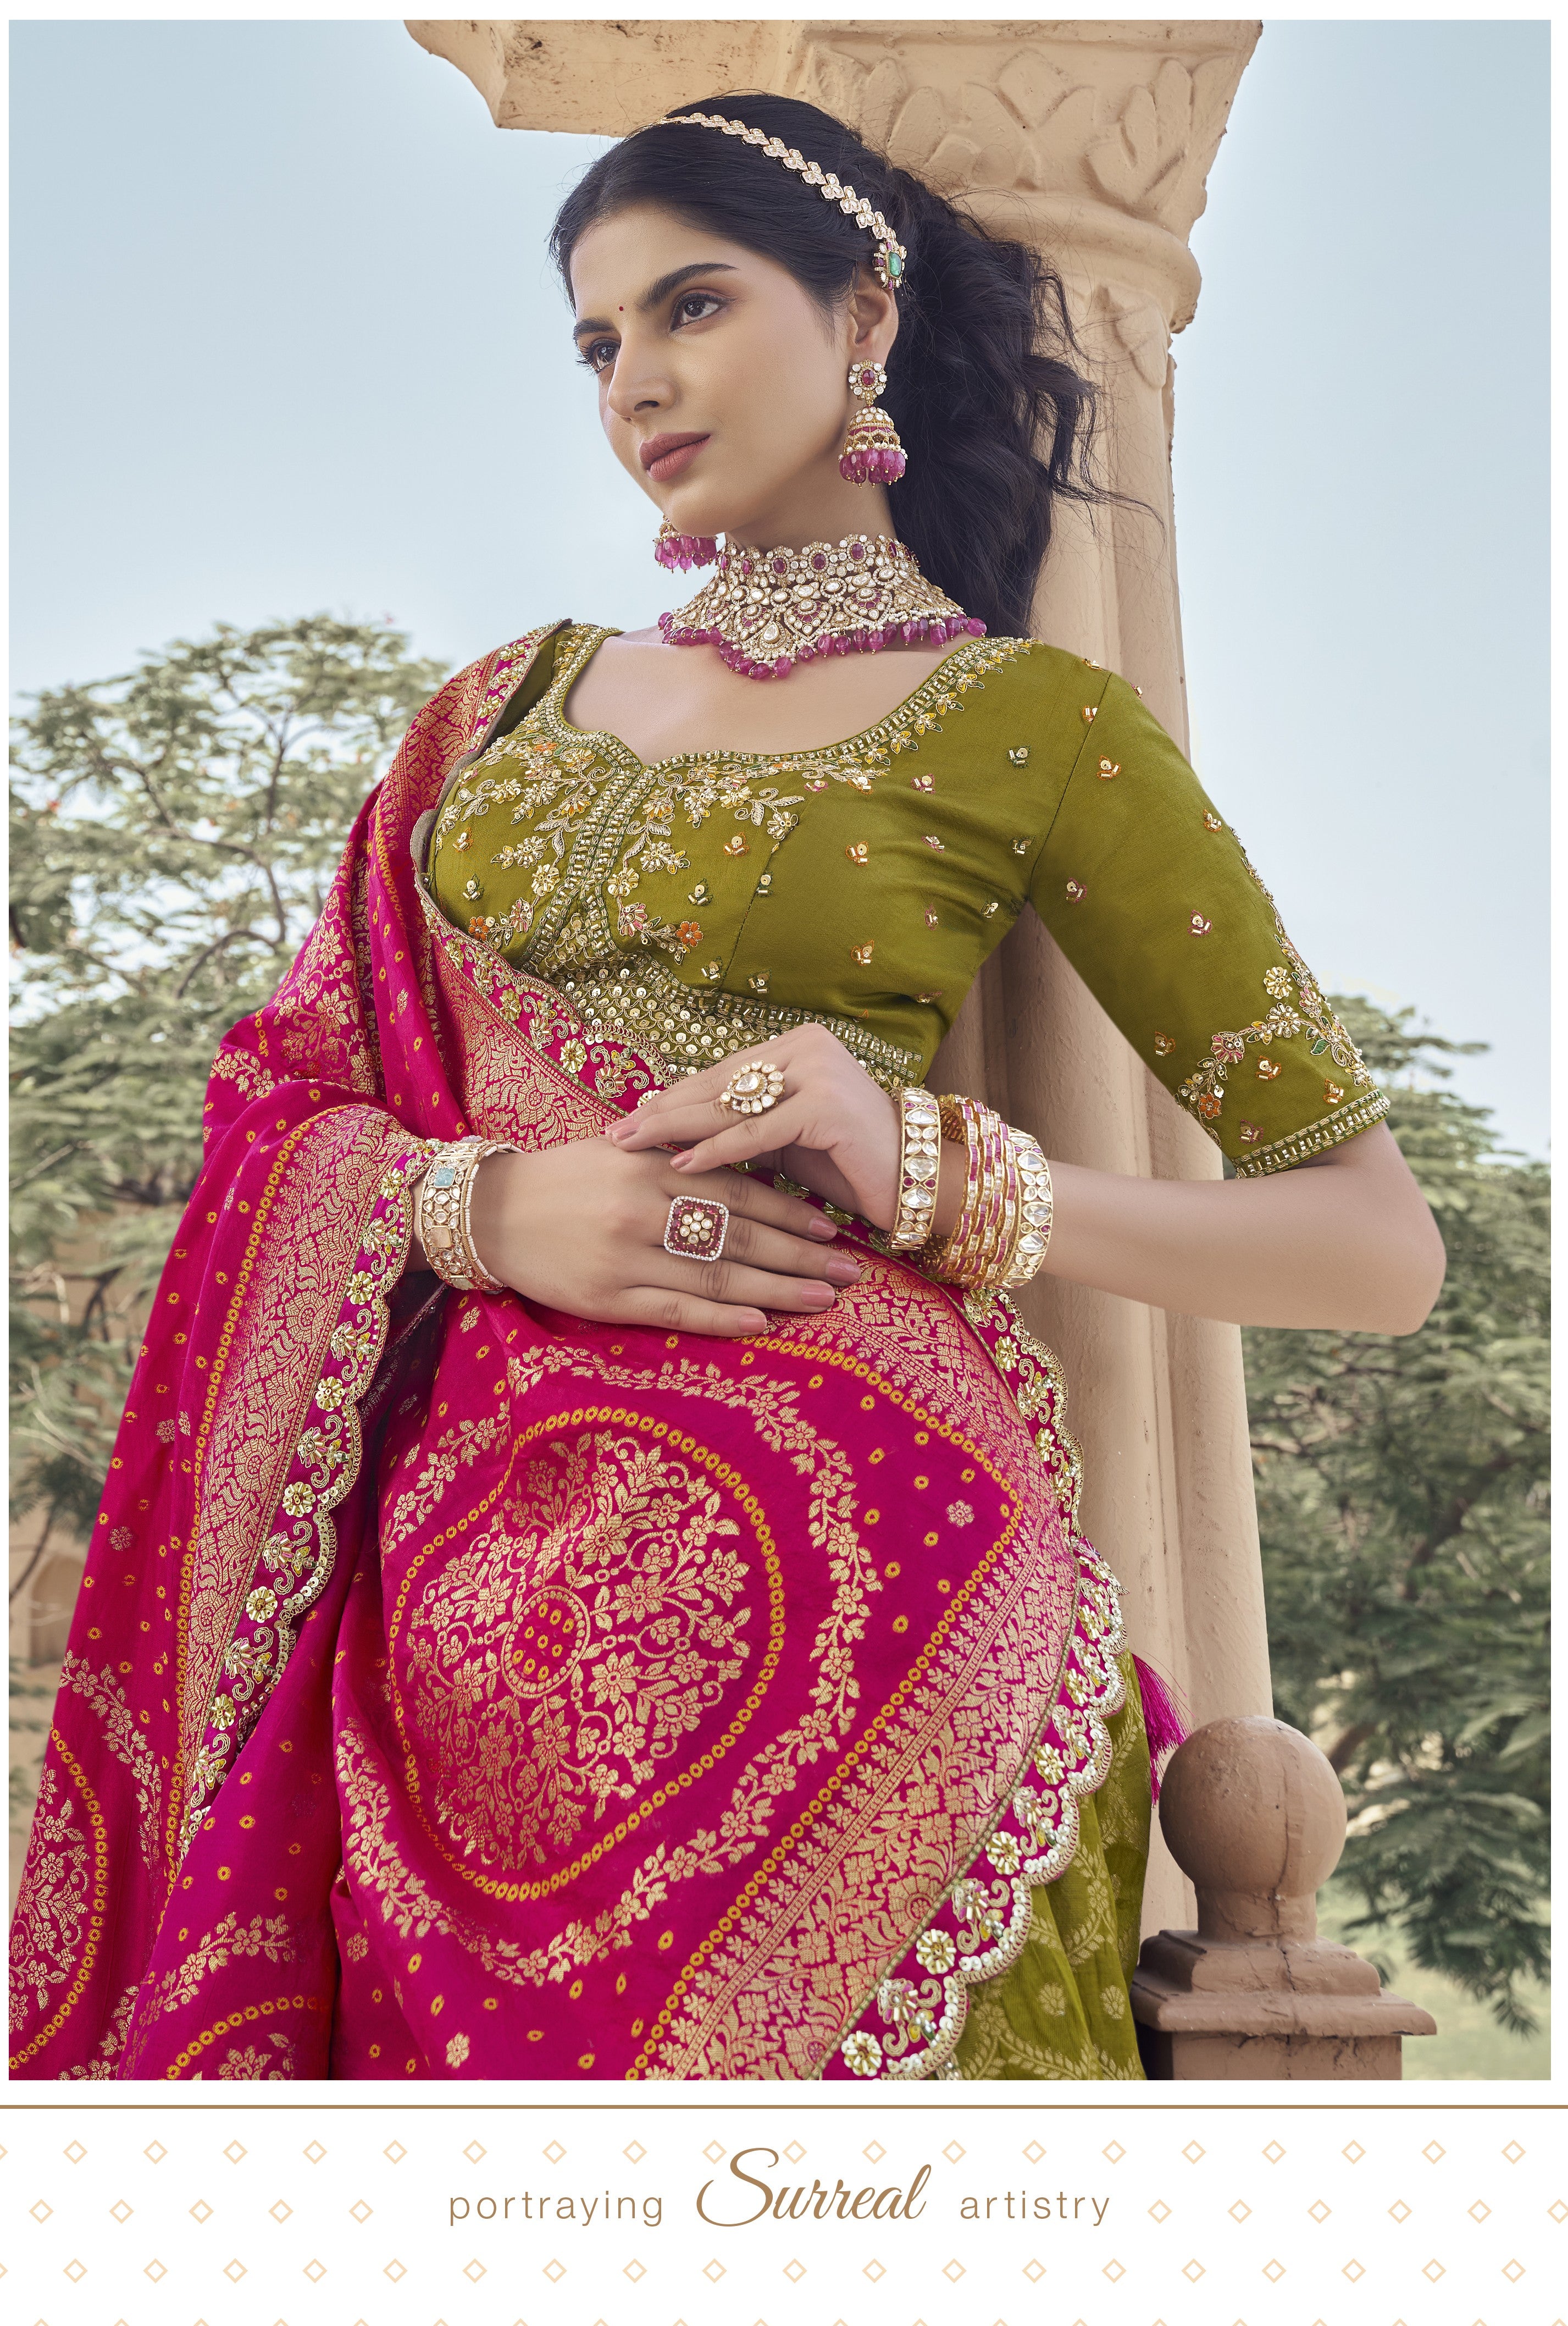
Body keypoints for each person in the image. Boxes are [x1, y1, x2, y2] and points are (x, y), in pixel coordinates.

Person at [9, 93, 1444, 2085]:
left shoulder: (1037, 725)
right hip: (439, 1667)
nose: (638, 382)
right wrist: (484, 1208)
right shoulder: (489, 711)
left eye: (691, 305)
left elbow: (1372, 1246)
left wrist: (938, 1166)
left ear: (867, 315)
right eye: (599, 345)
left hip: (897, 1649)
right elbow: (277, 1112)